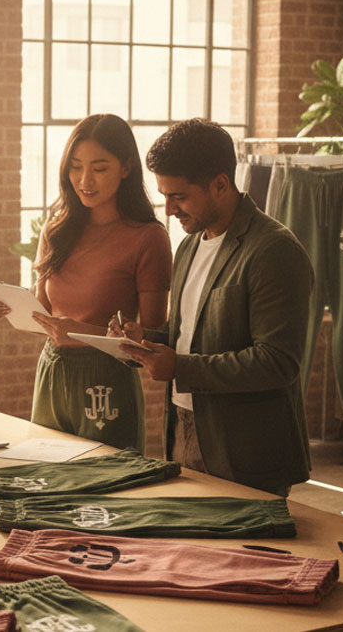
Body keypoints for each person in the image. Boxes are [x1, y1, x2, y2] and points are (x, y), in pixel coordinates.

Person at [115, 118, 314, 496]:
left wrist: (179, 367)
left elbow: (278, 361)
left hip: (247, 452)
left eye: (179, 196)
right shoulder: (190, 245)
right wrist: (144, 340)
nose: (169, 209)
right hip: (183, 430)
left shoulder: (274, 250)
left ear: (220, 184)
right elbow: (189, 334)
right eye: (164, 195)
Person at [0, 114, 172, 450]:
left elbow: (154, 337)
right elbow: (44, 313)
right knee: (47, 481)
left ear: (126, 167)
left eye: (99, 168)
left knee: (109, 488)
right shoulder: (57, 230)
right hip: (53, 372)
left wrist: (84, 333)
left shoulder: (149, 238)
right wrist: (11, 305)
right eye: (75, 167)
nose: (85, 179)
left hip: (106, 382)